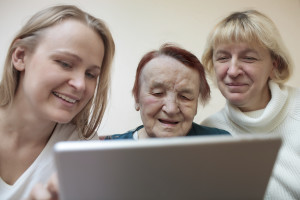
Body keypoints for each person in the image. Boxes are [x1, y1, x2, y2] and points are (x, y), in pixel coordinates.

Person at [0, 5, 115, 200]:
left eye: (90, 74)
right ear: (20, 56)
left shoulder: (84, 150)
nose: (80, 84)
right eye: (65, 63)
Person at [200, 10, 300, 199]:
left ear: (274, 65)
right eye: (222, 58)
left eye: (249, 58)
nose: (233, 70)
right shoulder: (209, 132)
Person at [102, 44, 230, 140]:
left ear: (196, 103)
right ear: (137, 98)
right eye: (158, 93)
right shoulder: (110, 153)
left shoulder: (221, 144)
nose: (171, 109)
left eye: (185, 97)